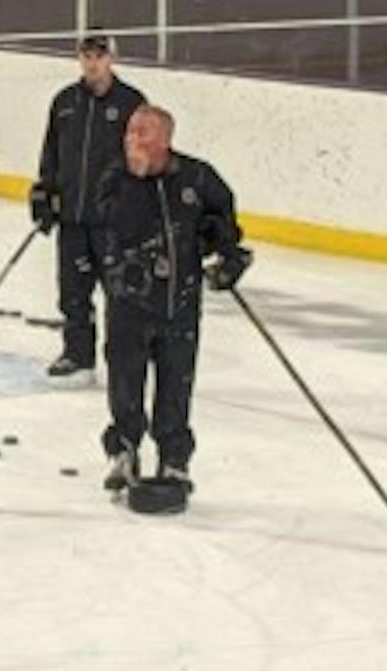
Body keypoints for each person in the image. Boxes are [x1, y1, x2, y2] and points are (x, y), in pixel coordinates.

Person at [93, 104, 249, 511]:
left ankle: (175, 459)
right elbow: (112, 223)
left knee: (176, 384)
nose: (132, 140)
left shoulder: (196, 177)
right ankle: (124, 450)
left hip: (179, 304)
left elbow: (225, 216)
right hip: (129, 302)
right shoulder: (115, 176)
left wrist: (224, 245)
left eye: (142, 132)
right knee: (125, 381)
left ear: (165, 139)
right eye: (129, 132)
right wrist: (134, 179)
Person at [30, 33, 147, 382]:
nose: (92, 63)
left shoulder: (132, 103)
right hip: (73, 219)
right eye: (86, 56)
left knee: (121, 296)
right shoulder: (65, 102)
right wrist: (43, 193)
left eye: (99, 56)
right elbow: (51, 152)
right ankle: (78, 356)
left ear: (112, 59)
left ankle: (125, 360)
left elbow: (144, 157)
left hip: (114, 223)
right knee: (73, 291)